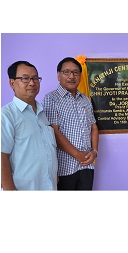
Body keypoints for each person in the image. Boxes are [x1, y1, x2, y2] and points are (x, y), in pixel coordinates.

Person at [42, 57, 99, 190]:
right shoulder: (51, 99)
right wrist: (79, 155)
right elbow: (53, 132)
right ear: (58, 75)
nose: (71, 76)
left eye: (75, 72)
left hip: (87, 165)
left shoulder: (85, 99)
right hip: (64, 168)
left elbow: (94, 127)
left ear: (80, 76)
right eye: (66, 72)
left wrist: (94, 152)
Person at [1, 61, 58, 190]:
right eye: (25, 78)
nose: (32, 83)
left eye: (35, 78)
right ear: (12, 83)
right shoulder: (6, 115)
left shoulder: (43, 113)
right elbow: (1, 156)